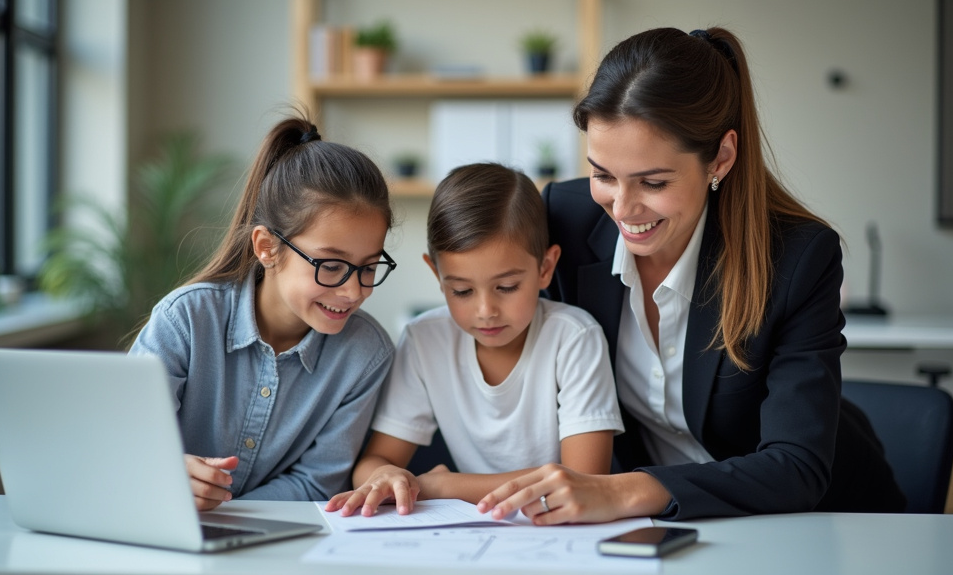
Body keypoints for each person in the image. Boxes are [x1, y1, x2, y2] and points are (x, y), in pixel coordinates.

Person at [477, 27, 906, 524]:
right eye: (603, 174)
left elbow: (797, 467)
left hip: (815, 523)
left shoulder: (797, 257)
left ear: (720, 157)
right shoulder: (566, 221)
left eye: (653, 182)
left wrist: (625, 491)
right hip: (653, 528)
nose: (622, 208)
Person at [130, 115, 397, 510]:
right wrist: (165, 473)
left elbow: (316, 483)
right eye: (332, 265)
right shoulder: (185, 321)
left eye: (369, 267)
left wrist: (228, 514)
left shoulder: (366, 353)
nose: (354, 290)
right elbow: (129, 447)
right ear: (267, 247)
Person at [325, 163, 624, 517]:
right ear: (436, 274)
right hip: (479, 528)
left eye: (507, 287)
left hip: (561, 530)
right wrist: (385, 474)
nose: (486, 310)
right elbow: (376, 462)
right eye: (462, 290)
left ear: (545, 268)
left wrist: (446, 486)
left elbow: (586, 481)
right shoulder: (425, 339)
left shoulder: (574, 337)